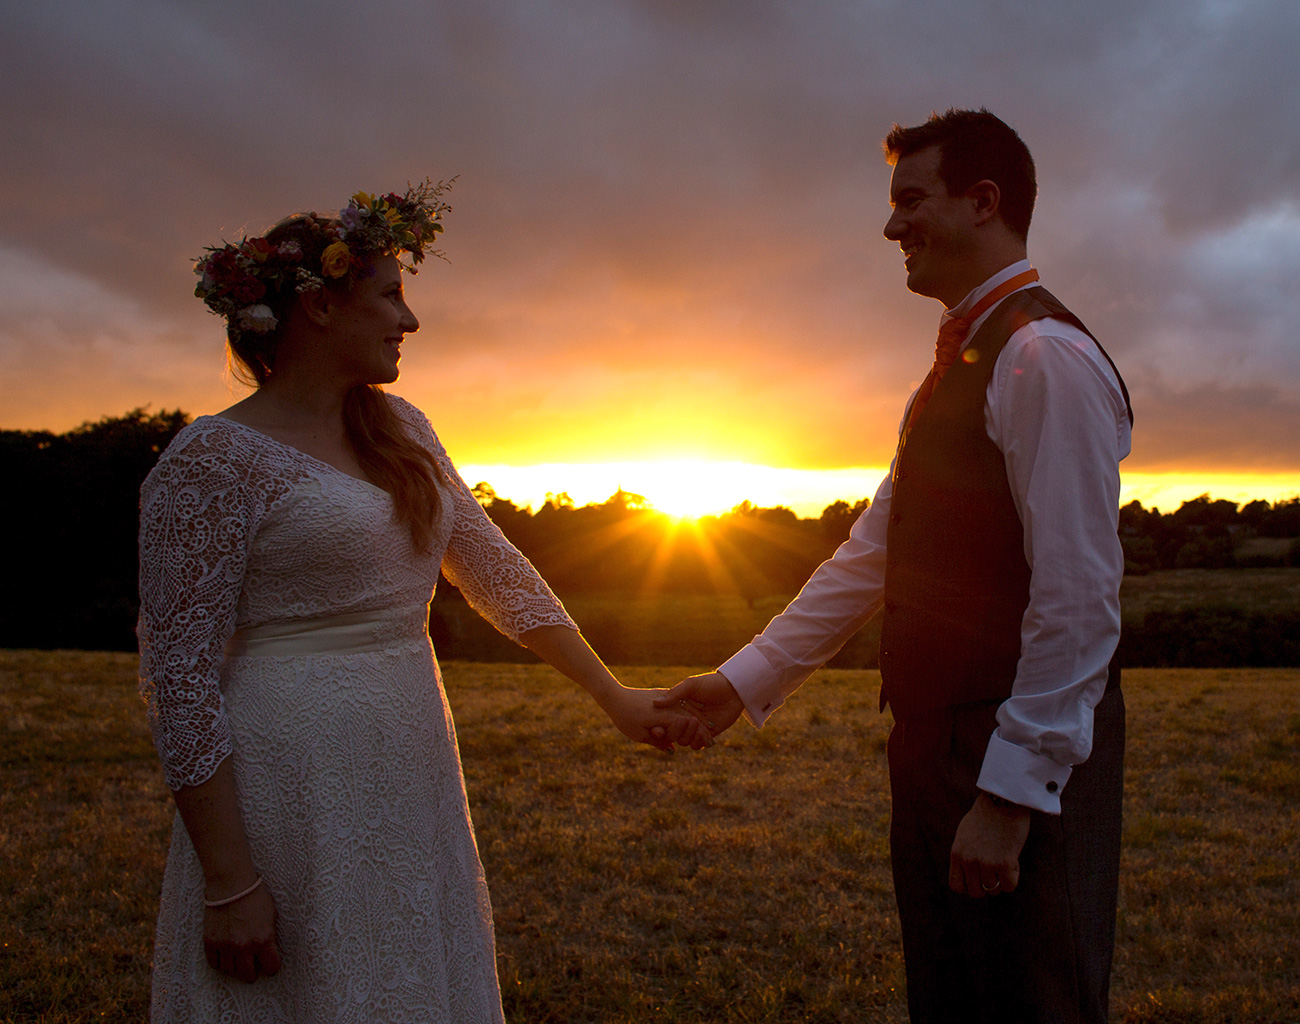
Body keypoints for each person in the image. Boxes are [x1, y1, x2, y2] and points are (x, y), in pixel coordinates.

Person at [137, 181, 709, 1022]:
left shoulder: (403, 427)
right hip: (290, 768)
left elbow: (493, 569)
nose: (410, 322)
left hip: (408, 750)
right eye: (391, 296)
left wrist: (609, 692)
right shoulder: (211, 460)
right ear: (321, 307)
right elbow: (180, 680)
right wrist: (228, 880)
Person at [659, 109, 1133, 1023]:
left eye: (911, 200)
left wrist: (1010, 793)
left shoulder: (1043, 356)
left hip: (1006, 750)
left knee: (1035, 1003)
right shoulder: (966, 357)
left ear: (983, 202)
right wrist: (738, 684)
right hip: (931, 743)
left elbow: (1077, 600)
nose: (890, 227)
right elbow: (875, 554)